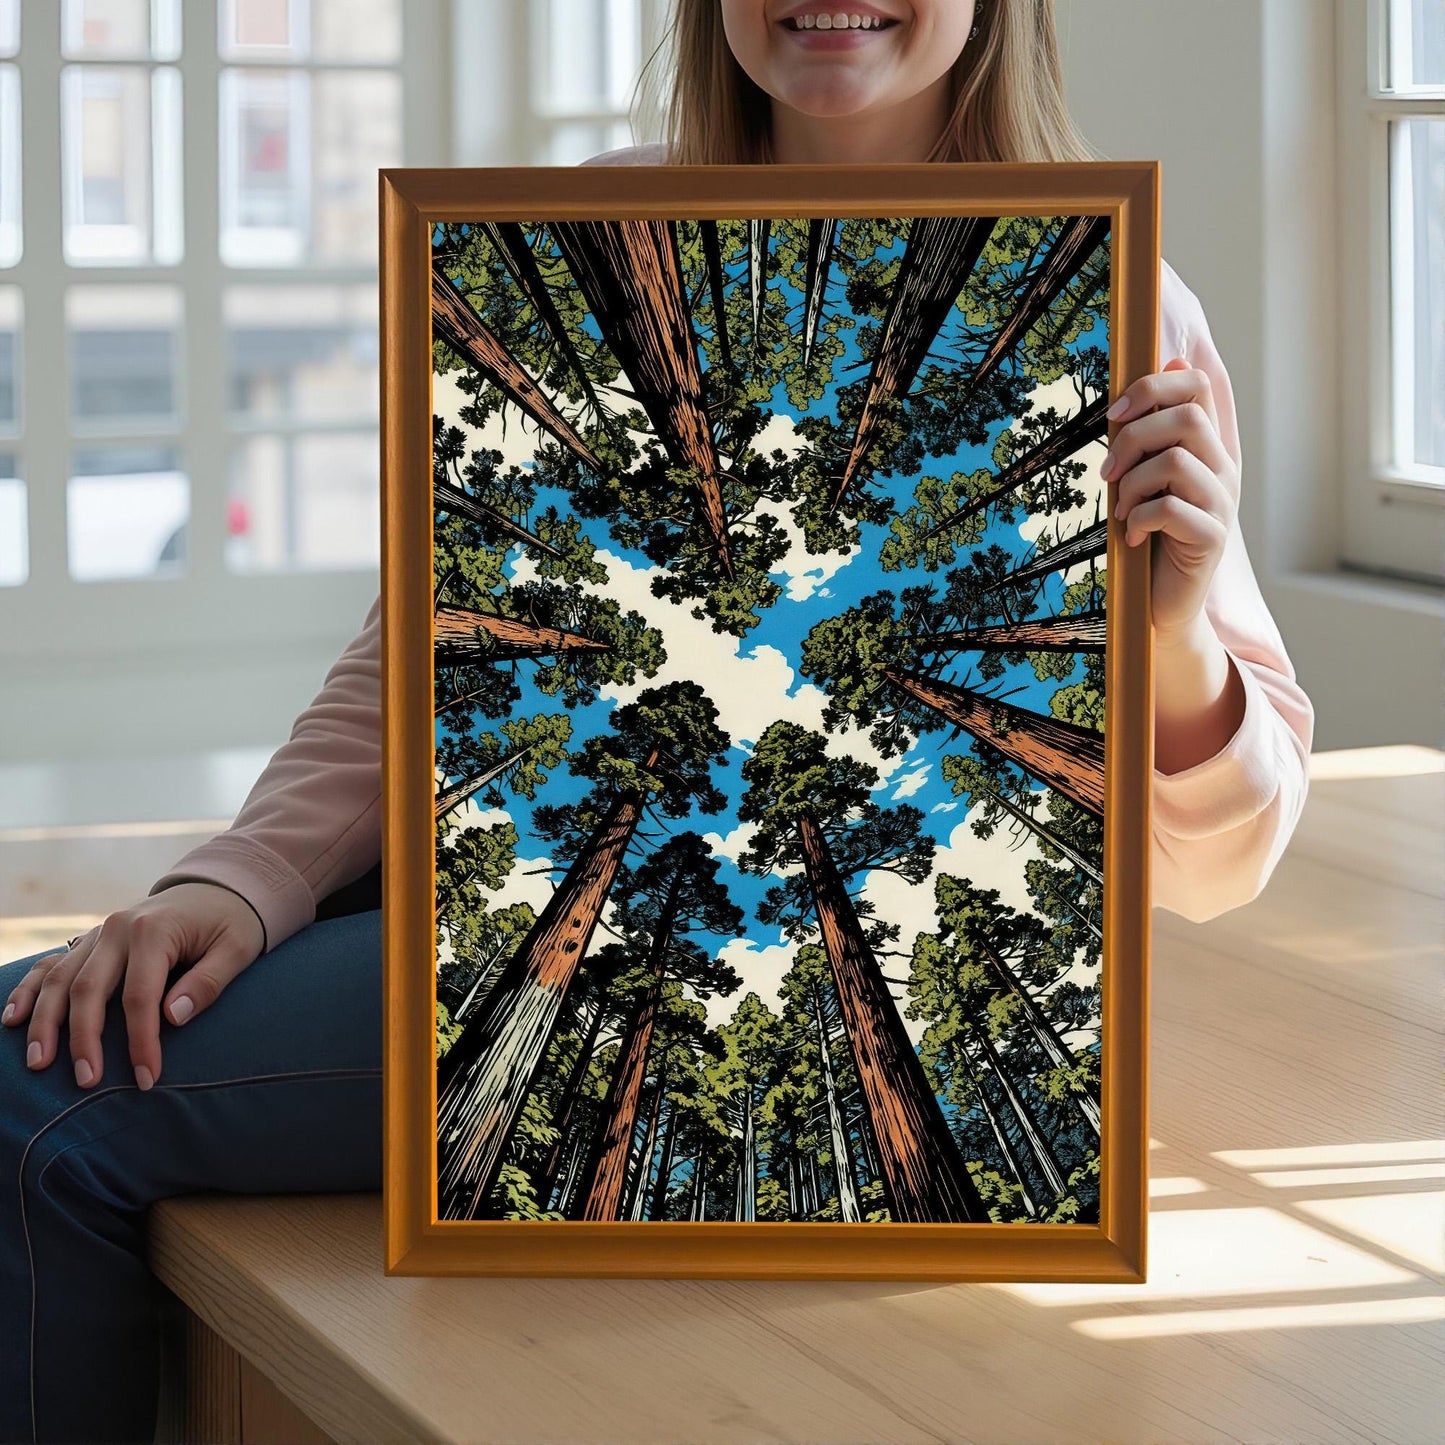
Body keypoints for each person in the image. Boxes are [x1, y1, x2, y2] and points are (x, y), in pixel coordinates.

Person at [0, 1, 1314, 1439]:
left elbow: (1213, 867)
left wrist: (1173, 626)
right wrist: (236, 880)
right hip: (525, 917)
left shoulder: (1116, 302)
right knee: (48, 1035)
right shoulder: (576, 243)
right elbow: (427, 655)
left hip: (822, 1007)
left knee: (31, 1100)